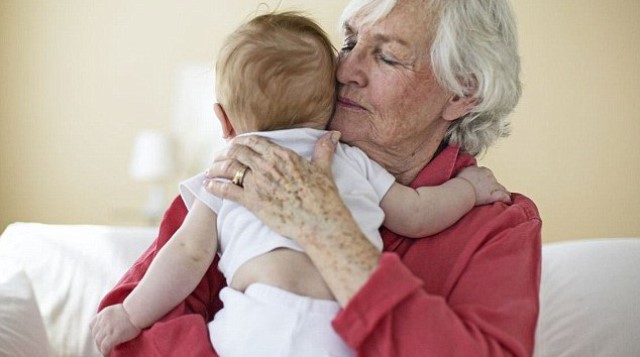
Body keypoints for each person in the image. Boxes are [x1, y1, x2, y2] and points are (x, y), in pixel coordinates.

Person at [97, 0, 542, 356]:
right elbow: (131, 334)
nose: (345, 72)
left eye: (386, 56)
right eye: (348, 44)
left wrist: (329, 233)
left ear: (462, 93)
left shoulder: (497, 228)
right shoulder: (247, 169)